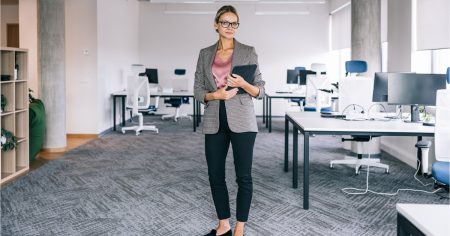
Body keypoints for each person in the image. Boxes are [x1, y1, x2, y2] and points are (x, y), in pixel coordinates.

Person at [193, 5, 265, 236]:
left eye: (234, 23)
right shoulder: (205, 53)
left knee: (243, 176)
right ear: (216, 25)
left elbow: (261, 91)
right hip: (214, 118)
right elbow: (197, 89)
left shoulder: (248, 51)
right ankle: (224, 224)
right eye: (225, 22)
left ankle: (240, 228)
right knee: (215, 174)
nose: (230, 27)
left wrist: (243, 84)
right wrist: (216, 95)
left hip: (243, 119)